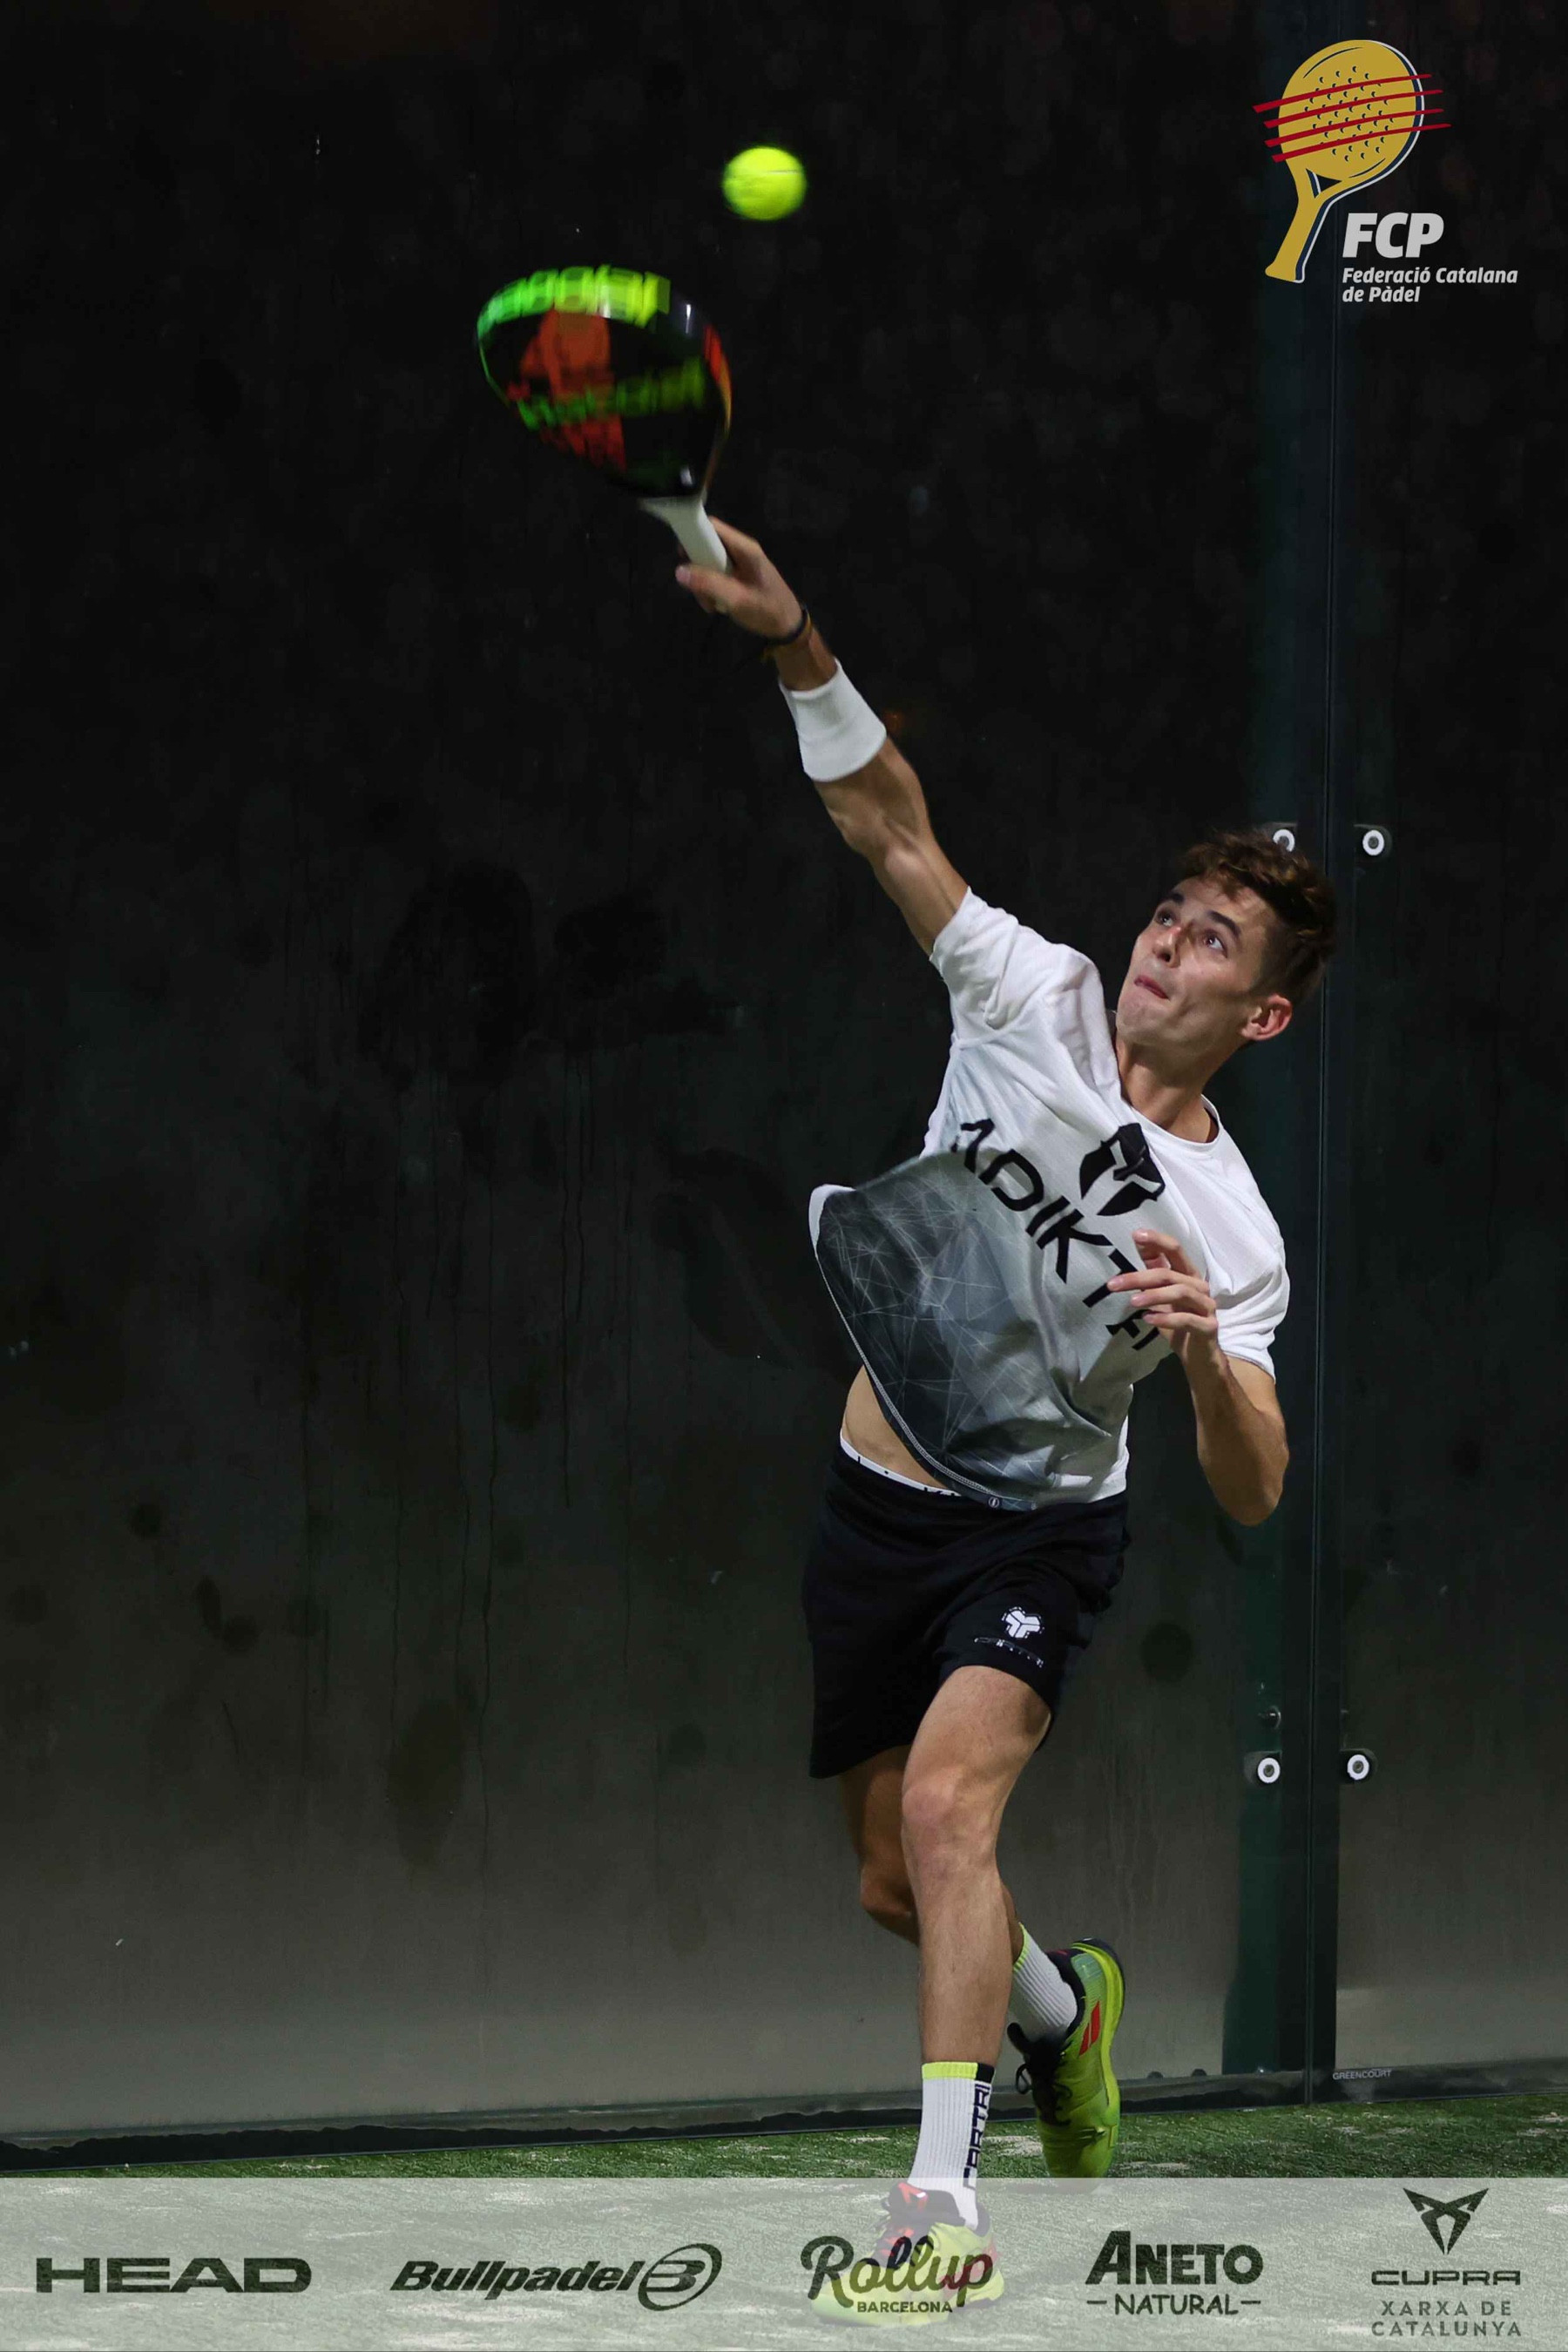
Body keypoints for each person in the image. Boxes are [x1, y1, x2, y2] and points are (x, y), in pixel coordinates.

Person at [677, 519, 1337, 2317]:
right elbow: (885, 819)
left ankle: (938, 2214)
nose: (1170, 945)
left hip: (1036, 1533)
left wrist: (1204, 1358)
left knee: (952, 1814)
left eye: (1215, 943)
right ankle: (1066, 2013)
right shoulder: (1028, 995)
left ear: (1265, 1014)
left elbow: (1256, 1489)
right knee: (896, 1882)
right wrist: (796, 639)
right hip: (876, 1491)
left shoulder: (1237, 1235)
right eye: (1171, 915)